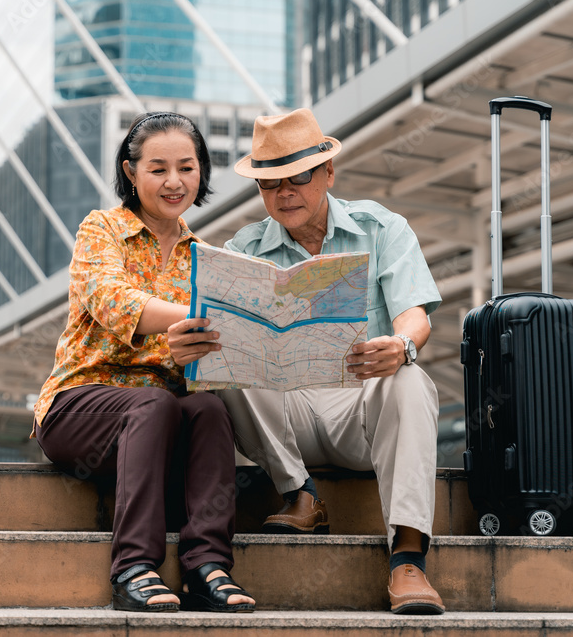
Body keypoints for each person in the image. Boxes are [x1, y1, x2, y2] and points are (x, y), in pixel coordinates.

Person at [171, 108, 445, 614]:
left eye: (298, 176)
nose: (285, 191)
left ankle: (408, 561)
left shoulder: (382, 228)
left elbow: (416, 316)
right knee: (225, 345)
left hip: (362, 415)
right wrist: (190, 341)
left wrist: (401, 345)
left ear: (328, 174)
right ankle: (299, 494)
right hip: (281, 420)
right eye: (269, 182)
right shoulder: (242, 250)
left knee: (410, 377)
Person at [32, 112, 255, 614]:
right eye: (158, 169)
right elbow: (111, 299)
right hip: (79, 409)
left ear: (201, 173)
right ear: (131, 173)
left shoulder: (205, 256)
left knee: (210, 410)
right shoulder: (101, 228)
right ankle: (134, 567)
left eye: (187, 167)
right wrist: (200, 319)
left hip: (161, 422)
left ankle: (207, 567)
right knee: (153, 404)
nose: (174, 182)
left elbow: (203, 358)